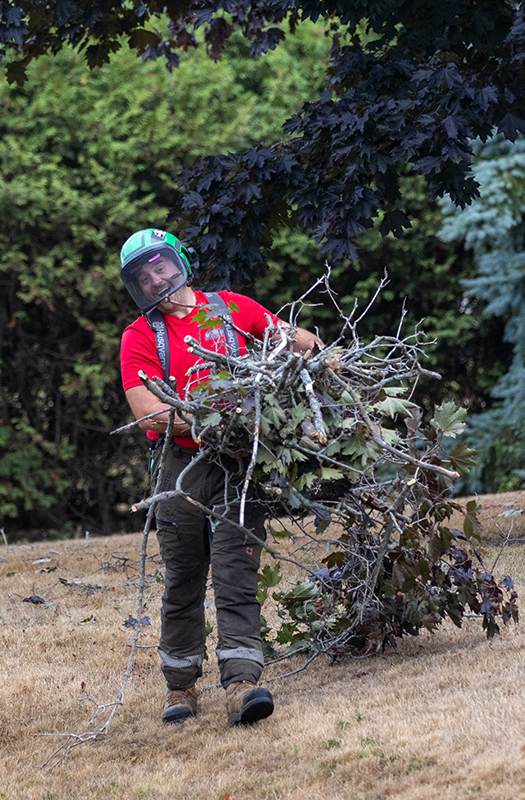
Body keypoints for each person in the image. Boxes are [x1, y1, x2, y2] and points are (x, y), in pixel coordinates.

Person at [117, 228, 324, 727]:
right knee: (183, 576)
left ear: (181, 262)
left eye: (161, 267)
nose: (155, 280)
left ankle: (241, 685)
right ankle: (180, 686)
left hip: (236, 463)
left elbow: (299, 342)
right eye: (143, 277)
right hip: (179, 468)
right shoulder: (139, 336)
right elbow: (149, 413)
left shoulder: (231, 309)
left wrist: (309, 356)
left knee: (236, 571)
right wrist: (217, 416)